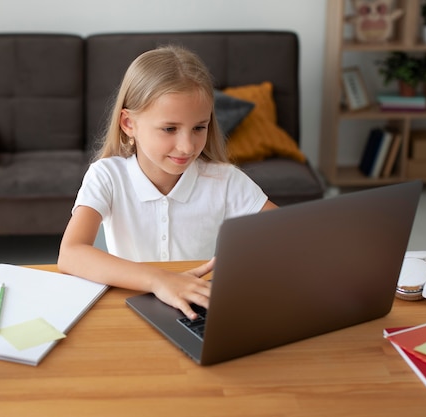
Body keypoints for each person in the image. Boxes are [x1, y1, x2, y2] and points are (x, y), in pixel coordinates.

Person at [57, 45, 277, 319]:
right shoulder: (107, 176)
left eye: (199, 127)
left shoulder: (225, 180)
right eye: (169, 129)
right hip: (130, 309)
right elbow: (71, 254)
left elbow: (286, 237)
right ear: (129, 124)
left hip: (196, 310)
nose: (187, 146)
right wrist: (159, 280)